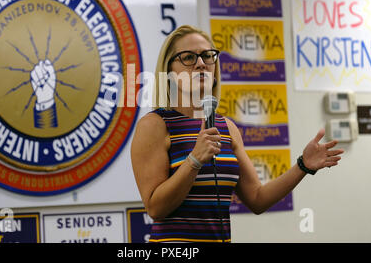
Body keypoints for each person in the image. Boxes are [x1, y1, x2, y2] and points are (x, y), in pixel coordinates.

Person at [130, 25, 344, 243]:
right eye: (188, 57)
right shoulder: (155, 126)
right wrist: (194, 160)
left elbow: (257, 199)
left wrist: (302, 165)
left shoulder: (227, 127)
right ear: (169, 73)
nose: (201, 63)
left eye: (207, 56)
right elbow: (155, 208)